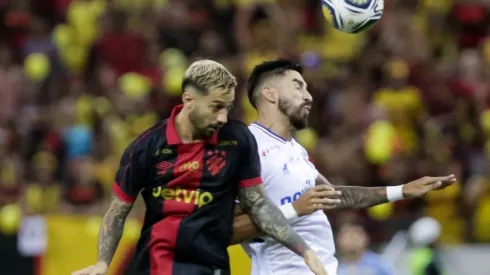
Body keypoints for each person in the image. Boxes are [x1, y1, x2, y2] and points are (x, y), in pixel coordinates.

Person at [72, 60, 327, 275]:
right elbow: (117, 211)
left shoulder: (236, 140)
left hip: (210, 266)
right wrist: (103, 262)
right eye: (216, 107)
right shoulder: (146, 146)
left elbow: (258, 205)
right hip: (154, 266)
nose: (223, 118)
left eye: (227, 108)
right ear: (189, 99)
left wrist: (304, 251)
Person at [231, 59, 457, 275]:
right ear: (270, 93)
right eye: (297, 87)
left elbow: (334, 196)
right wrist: (295, 209)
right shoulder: (247, 147)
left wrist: (402, 190)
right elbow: (227, 229)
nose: (308, 96)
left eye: (307, 89)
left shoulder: (295, 150)